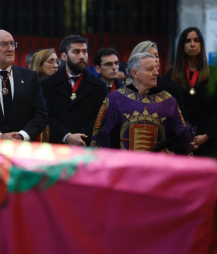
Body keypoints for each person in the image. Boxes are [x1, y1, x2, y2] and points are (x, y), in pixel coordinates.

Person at [91, 53, 194, 154]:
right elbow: (100, 137)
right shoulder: (115, 99)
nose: (156, 73)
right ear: (135, 73)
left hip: (158, 167)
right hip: (124, 166)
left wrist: (172, 151)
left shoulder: (168, 101)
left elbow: (182, 137)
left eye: (156, 68)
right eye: (150, 69)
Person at [41, 35, 107, 146]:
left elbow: (101, 117)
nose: (82, 56)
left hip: (87, 145)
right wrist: (66, 136)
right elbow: (46, 116)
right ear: (64, 56)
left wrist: (81, 137)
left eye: (84, 52)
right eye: (76, 52)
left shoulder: (99, 86)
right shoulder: (47, 84)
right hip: (58, 146)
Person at [164, 27, 217, 157]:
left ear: (201, 44)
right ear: (182, 45)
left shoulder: (213, 73)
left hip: (208, 140)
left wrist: (206, 135)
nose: (192, 44)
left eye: (196, 40)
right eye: (188, 41)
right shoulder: (172, 74)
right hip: (178, 141)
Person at [130, 41, 185, 113]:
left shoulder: (173, 91)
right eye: (150, 56)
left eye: (156, 56)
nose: (155, 60)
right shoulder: (125, 92)